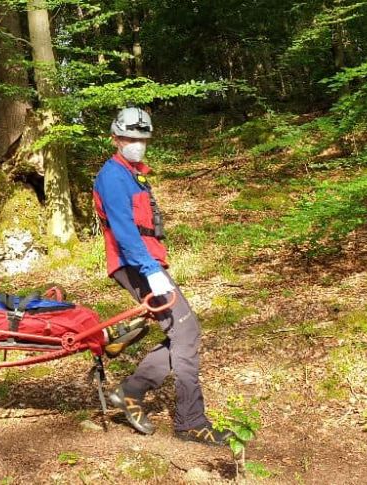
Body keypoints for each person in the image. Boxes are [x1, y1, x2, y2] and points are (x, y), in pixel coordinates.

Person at [93, 107, 230, 445]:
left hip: (147, 264)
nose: (136, 143)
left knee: (183, 332)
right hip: (135, 266)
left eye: (142, 138)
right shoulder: (112, 177)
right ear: (115, 138)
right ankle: (190, 422)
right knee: (186, 331)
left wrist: (156, 266)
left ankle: (130, 391)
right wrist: (152, 272)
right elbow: (125, 234)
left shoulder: (134, 174)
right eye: (129, 138)